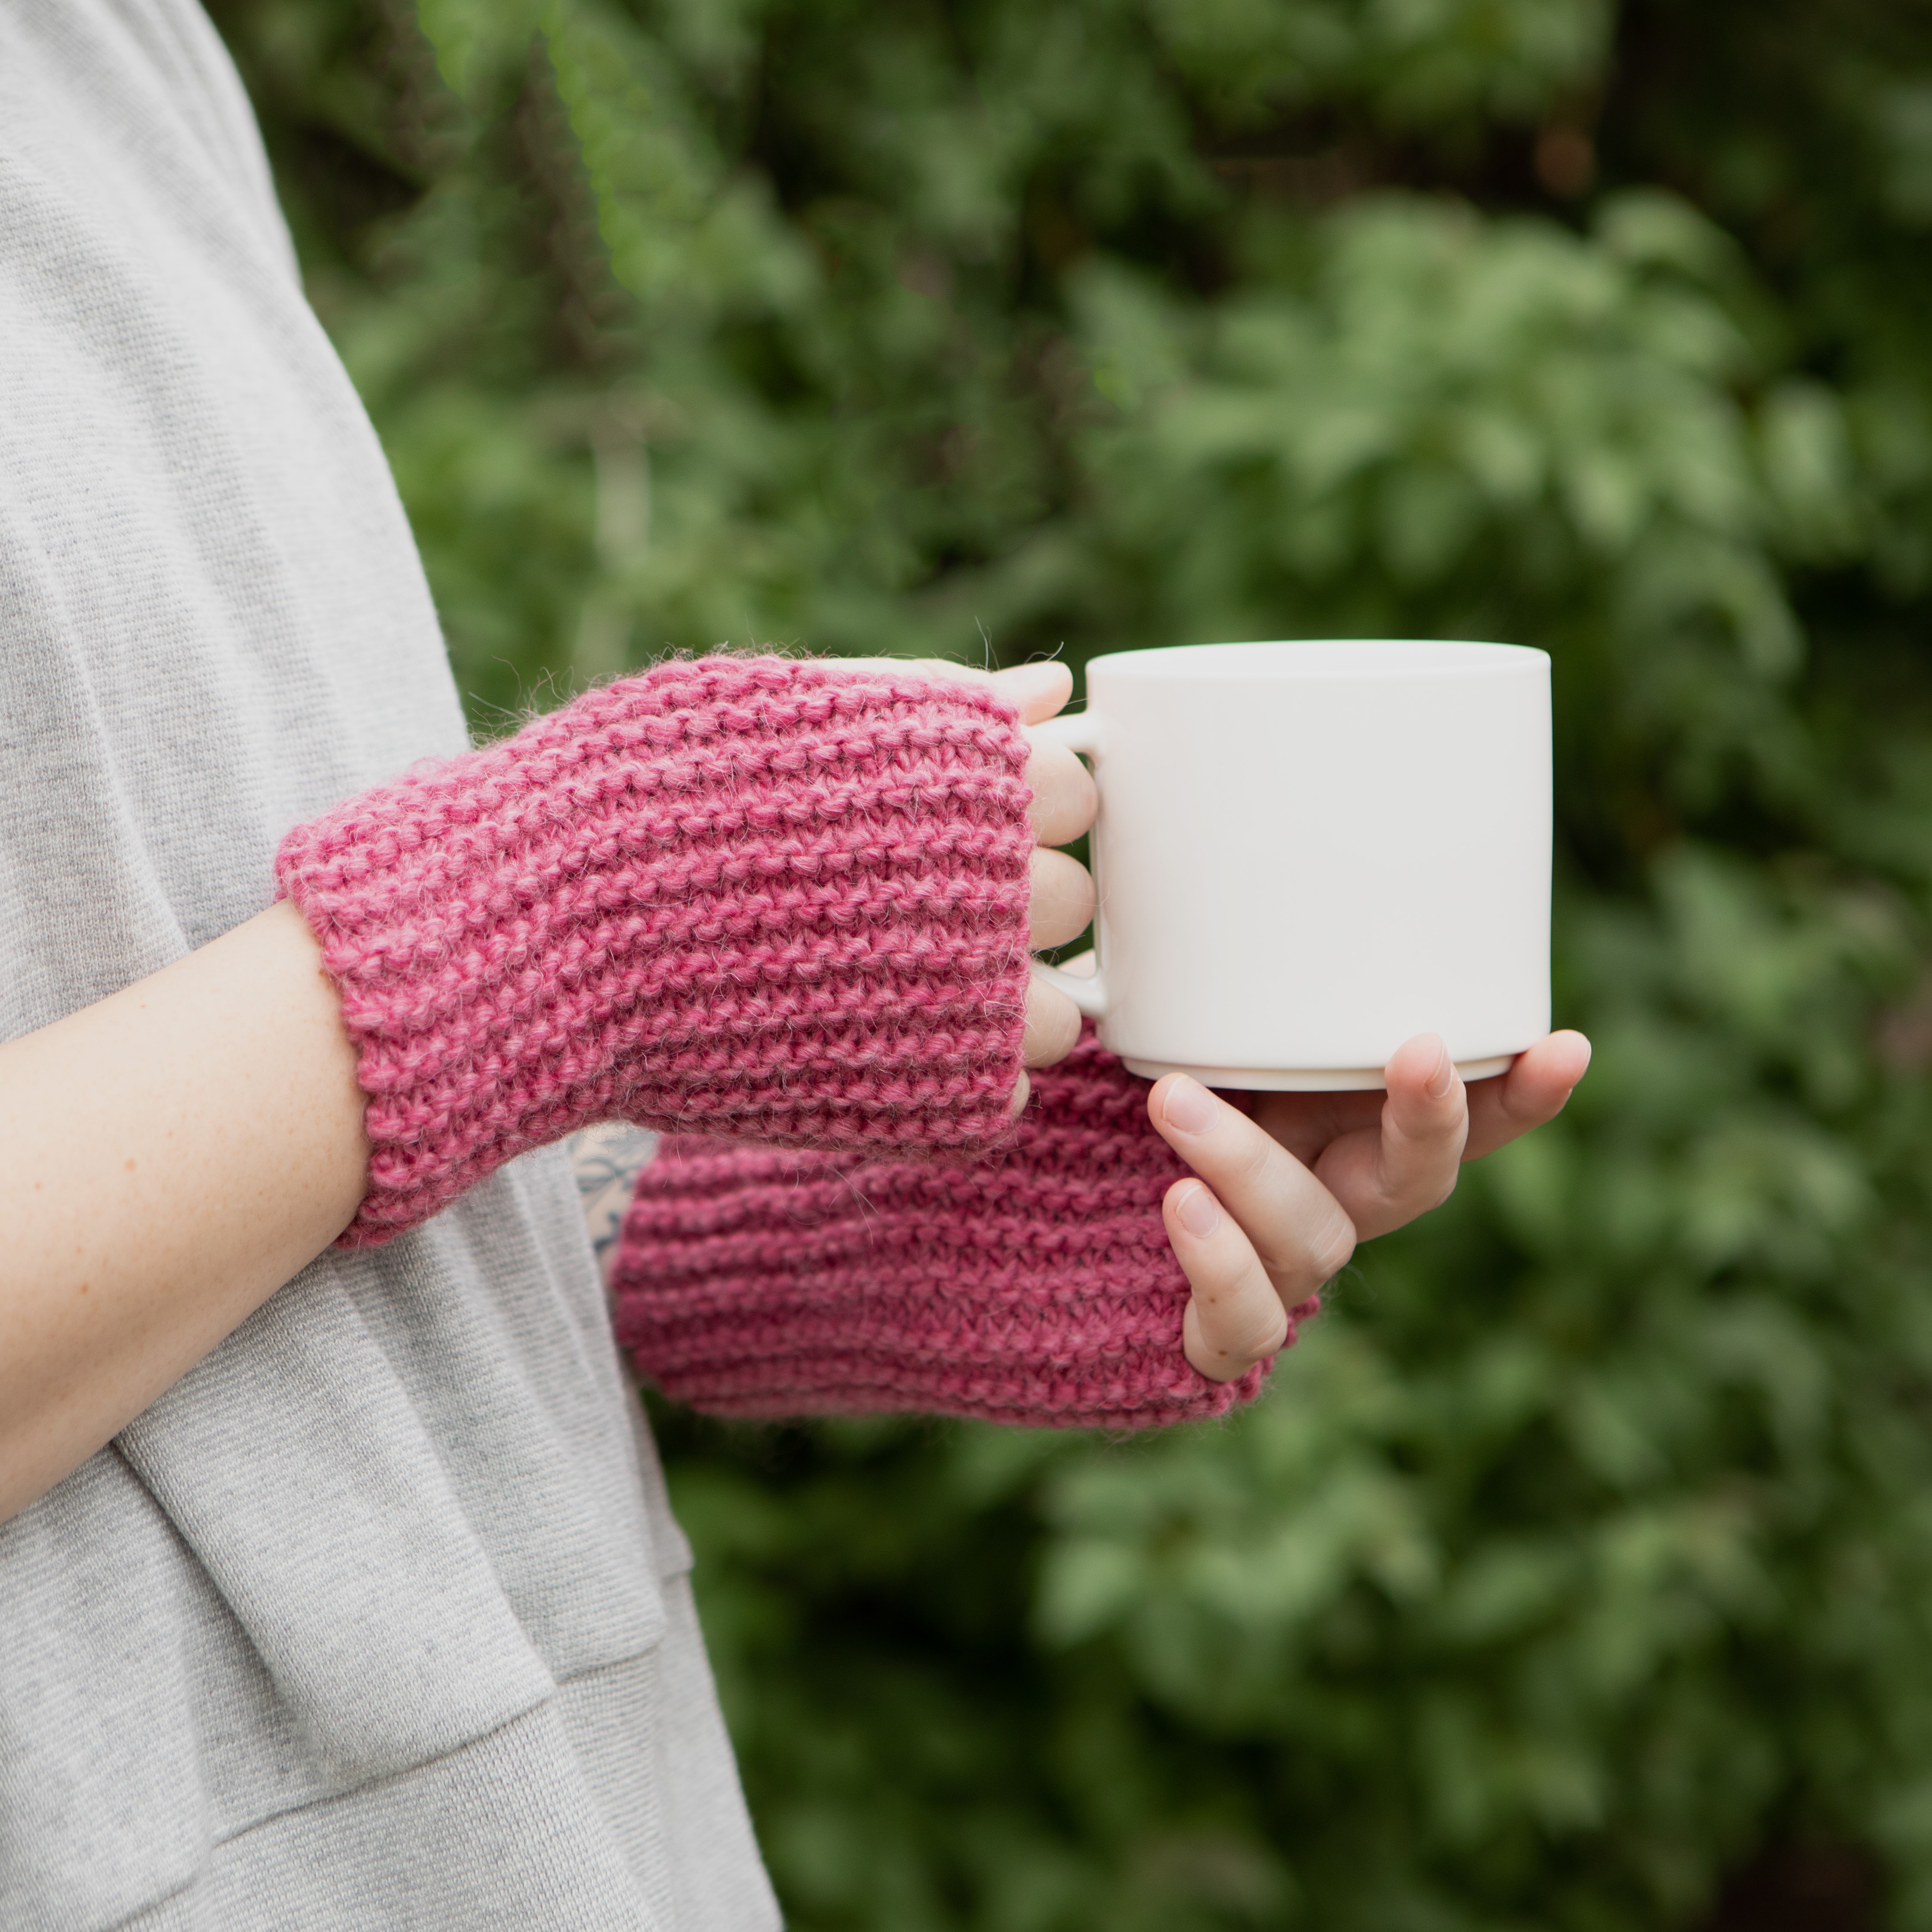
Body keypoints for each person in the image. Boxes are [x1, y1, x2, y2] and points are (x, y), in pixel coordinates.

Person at [0, 3, 1591, 1927]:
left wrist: (800, 1221)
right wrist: (576, 916)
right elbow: (460, 977)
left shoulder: (113, 52)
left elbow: (196, 1086)